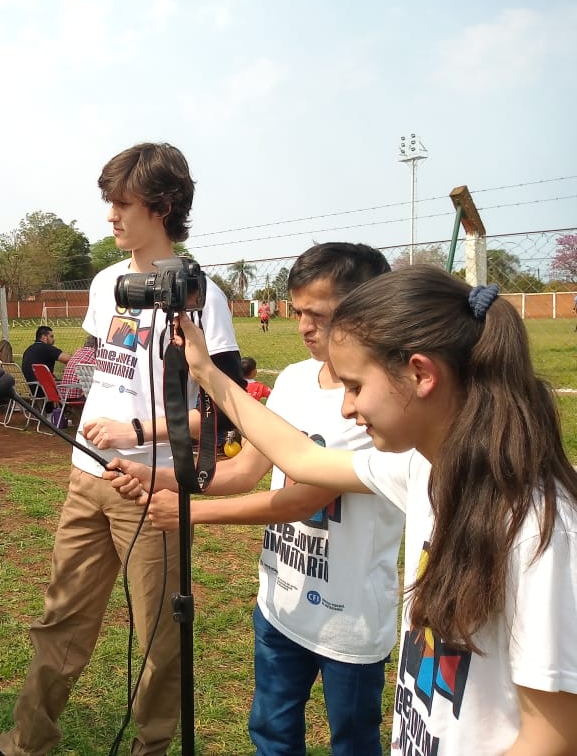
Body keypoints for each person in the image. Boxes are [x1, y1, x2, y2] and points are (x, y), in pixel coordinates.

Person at [166, 265, 577, 755]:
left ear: (421, 374)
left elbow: (553, 737)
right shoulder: (421, 469)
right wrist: (207, 373)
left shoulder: (537, 530)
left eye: (356, 386)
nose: (345, 409)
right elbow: (300, 457)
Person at [0, 142, 244, 756]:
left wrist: (139, 435)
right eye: (108, 201)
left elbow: (224, 417)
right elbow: (104, 368)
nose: (109, 215)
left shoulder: (199, 294)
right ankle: (25, 744)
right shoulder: (106, 282)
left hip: (151, 490)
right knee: (60, 620)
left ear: (161, 207)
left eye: (121, 203)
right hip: (87, 477)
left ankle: (152, 748)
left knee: (160, 639)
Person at [106, 243, 401, 755]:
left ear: (366, 310)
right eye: (298, 311)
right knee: (270, 732)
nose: (305, 326)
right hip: (281, 603)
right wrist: (163, 478)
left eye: (321, 315)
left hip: (348, 621)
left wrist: (190, 514)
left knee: (352, 742)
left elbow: (299, 500)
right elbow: (246, 468)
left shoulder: (372, 401)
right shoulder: (291, 380)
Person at [21, 326, 70, 402]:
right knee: (69, 387)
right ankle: (64, 411)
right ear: (44, 337)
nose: (53, 339)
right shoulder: (47, 348)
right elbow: (68, 359)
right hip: (43, 388)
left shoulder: (28, 350)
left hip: (29, 388)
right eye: (51, 336)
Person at [57, 334, 98, 402]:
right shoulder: (95, 354)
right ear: (96, 344)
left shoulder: (79, 352)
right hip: (78, 396)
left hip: (64, 395)